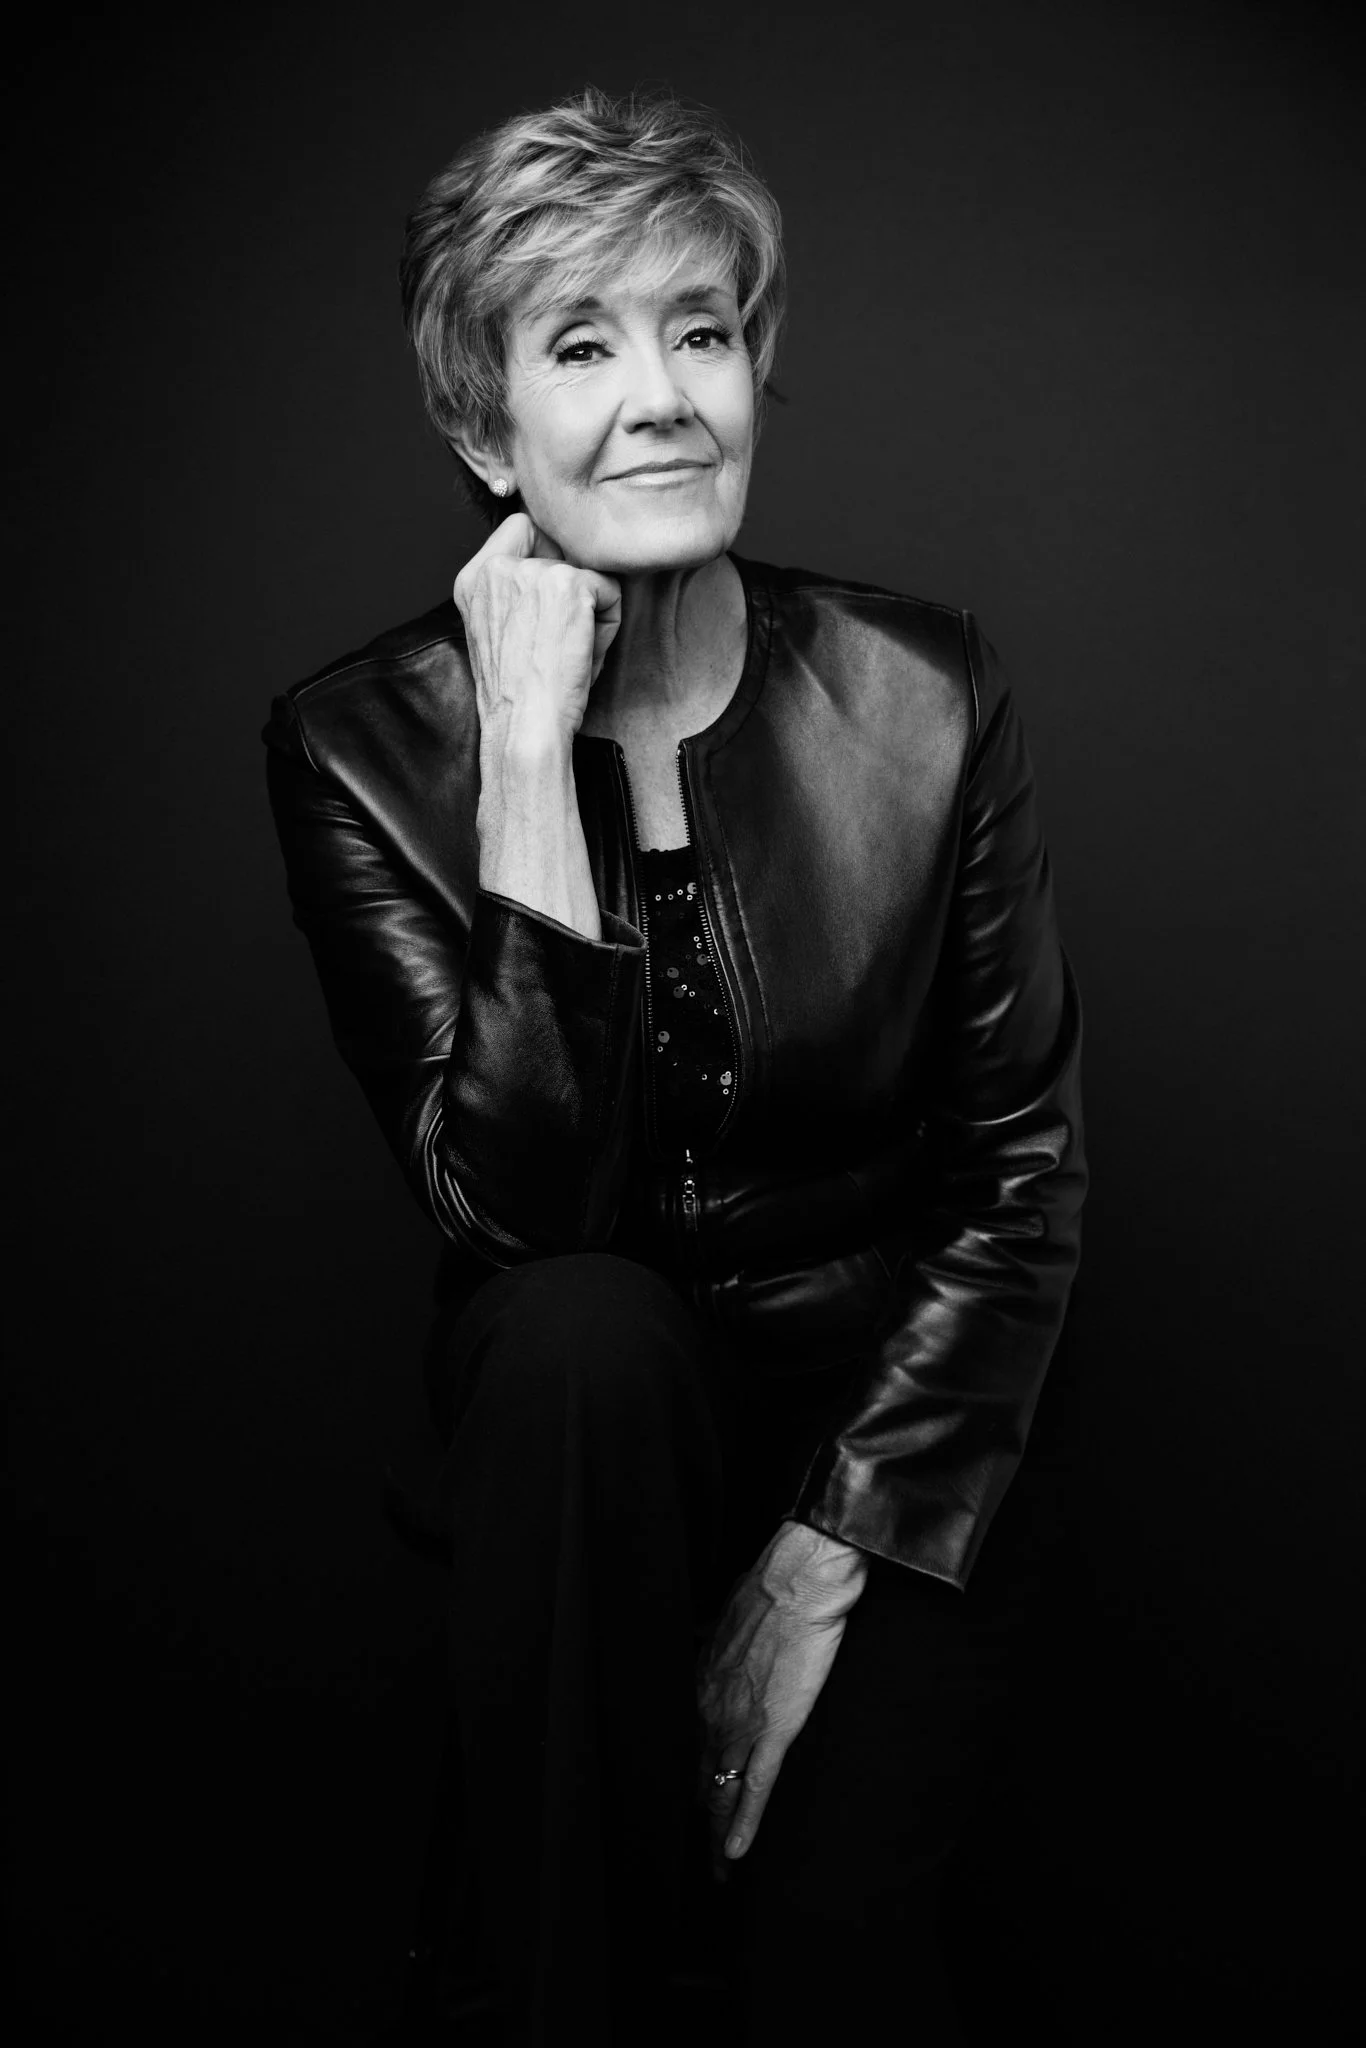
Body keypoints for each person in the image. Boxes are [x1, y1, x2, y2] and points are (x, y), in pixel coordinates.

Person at [262, 85, 1087, 2048]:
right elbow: (522, 1214)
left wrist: (821, 1566)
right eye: (580, 344)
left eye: (699, 329)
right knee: (575, 1330)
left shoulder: (923, 687)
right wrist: (528, 751)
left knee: (829, 1963)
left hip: (868, 1435)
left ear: (753, 367)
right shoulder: (360, 747)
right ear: (484, 431)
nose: (659, 395)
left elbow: (1015, 1176)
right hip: (570, 1446)